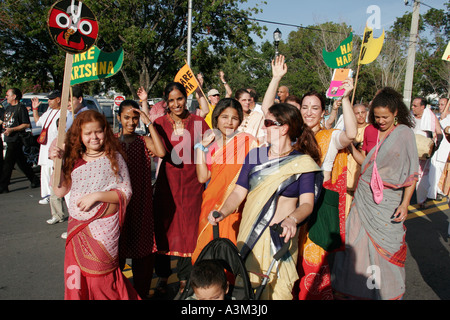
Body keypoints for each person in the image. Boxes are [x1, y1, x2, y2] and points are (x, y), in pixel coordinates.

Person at [208, 103, 322, 300]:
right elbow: (238, 192)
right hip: (250, 237)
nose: (263, 127)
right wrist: (223, 211)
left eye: (268, 123)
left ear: (283, 128)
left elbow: (307, 204)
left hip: (280, 243)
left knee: (280, 294)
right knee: (247, 294)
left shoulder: (302, 163)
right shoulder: (255, 156)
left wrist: (292, 220)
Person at [332, 87, 419, 300]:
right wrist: (351, 147)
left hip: (389, 202)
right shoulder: (370, 131)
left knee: (385, 251)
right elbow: (367, 164)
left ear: (396, 112)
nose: (380, 121)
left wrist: (405, 204)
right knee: (356, 245)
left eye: (385, 117)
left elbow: (412, 174)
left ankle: (386, 292)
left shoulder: (405, 134)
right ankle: (355, 290)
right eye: (377, 116)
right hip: (364, 198)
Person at [49, 110, 140, 300]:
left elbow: (126, 192)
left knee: (101, 278)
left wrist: (96, 196)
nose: (94, 137)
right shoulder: (74, 159)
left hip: (104, 231)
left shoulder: (114, 158)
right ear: (80, 136)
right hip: (77, 228)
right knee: (76, 278)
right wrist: (58, 162)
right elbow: (59, 191)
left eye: (98, 132)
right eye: (88, 133)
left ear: (105, 132)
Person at [152, 82, 210, 297]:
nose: (176, 104)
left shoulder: (198, 123)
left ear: (186, 98)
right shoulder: (158, 123)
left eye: (180, 99)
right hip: (167, 185)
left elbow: (209, 150)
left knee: (189, 231)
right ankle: (163, 275)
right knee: (164, 229)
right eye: (172, 100)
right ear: (166, 102)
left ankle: (185, 277)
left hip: (193, 185)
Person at [192, 98, 258, 263]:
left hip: (235, 207)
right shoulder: (211, 144)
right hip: (211, 204)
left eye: (234, 118)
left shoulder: (248, 142)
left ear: (240, 121)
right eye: (224, 117)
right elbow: (202, 177)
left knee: (230, 252)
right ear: (216, 118)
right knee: (206, 250)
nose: (229, 122)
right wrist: (201, 147)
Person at [115, 99, 166, 299]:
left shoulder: (143, 141)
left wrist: (149, 122)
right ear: (119, 117)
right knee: (116, 256)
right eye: (127, 117)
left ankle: (140, 295)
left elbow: (161, 152)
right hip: (118, 206)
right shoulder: (111, 142)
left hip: (141, 206)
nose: (131, 121)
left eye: (135, 118)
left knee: (142, 255)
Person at [32, 90, 67, 224]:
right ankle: (56, 213)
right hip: (46, 150)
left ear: (59, 99)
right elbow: (38, 122)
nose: (49, 101)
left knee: (59, 182)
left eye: (51, 99)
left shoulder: (64, 113)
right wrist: (35, 109)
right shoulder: (48, 111)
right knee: (48, 179)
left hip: (60, 152)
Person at [0, 88, 39, 194]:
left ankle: (3, 186)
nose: (6, 97)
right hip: (9, 138)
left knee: (8, 163)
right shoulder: (8, 108)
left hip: (16, 139)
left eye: (8, 95)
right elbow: (6, 121)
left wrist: (12, 129)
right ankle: (34, 179)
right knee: (21, 162)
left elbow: (26, 124)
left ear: (14, 96)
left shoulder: (20, 108)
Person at [411, 97, 442, 207]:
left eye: (415, 106)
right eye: (412, 105)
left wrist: (433, 148)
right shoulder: (409, 117)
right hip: (410, 152)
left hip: (423, 154)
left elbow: (439, 133)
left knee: (423, 177)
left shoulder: (431, 117)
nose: (412, 108)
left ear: (423, 107)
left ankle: (421, 200)